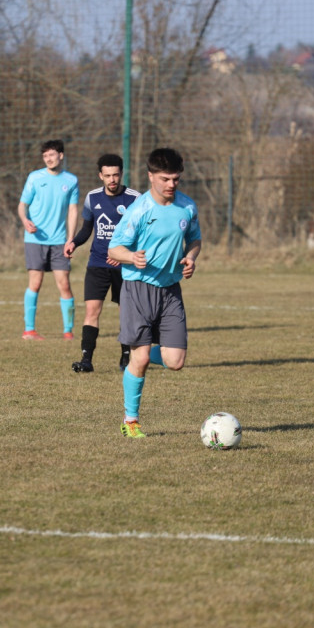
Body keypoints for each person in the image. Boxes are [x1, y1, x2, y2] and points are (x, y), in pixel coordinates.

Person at [107, 148, 201, 439]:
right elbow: (114, 248)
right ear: (151, 176)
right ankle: (130, 421)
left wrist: (191, 258)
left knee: (175, 361)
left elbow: (195, 239)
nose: (171, 185)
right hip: (138, 288)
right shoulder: (139, 210)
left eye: (176, 179)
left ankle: (143, 352)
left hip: (171, 290)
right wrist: (132, 256)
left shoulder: (187, 207)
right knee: (141, 358)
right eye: (165, 179)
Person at [64, 154, 140, 373]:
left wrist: (122, 253)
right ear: (100, 176)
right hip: (97, 263)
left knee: (126, 313)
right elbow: (88, 229)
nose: (112, 179)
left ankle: (126, 358)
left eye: (115, 174)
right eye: (107, 175)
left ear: (121, 174)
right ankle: (86, 360)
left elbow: (142, 234)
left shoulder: (135, 199)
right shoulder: (92, 198)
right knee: (91, 311)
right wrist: (74, 243)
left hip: (125, 266)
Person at [17, 139, 79, 340]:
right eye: (45, 156)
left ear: (61, 155)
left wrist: (70, 239)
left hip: (60, 241)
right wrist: (25, 220)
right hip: (35, 239)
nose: (48, 159)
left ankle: (68, 331)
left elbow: (72, 210)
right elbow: (22, 205)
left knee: (64, 285)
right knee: (35, 283)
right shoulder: (34, 178)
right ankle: (29, 330)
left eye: (52, 155)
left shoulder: (71, 181)